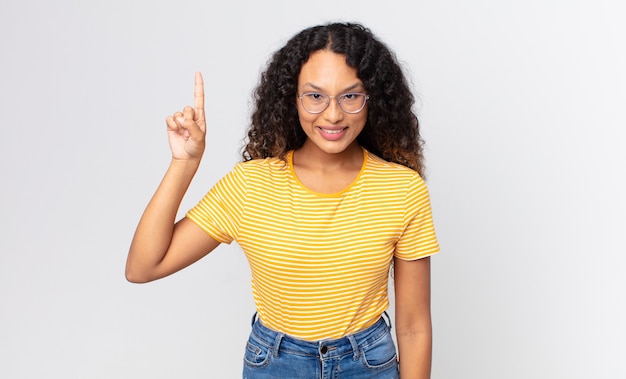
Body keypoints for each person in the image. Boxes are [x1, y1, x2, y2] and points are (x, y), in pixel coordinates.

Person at [126, 22, 439, 379]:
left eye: (350, 96)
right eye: (315, 96)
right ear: (292, 98)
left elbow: (414, 326)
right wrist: (185, 163)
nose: (333, 114)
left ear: (373, 99)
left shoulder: (402, 189)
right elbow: (142, 267)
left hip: (367, 364)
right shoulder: (250, 185)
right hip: (275, 365)